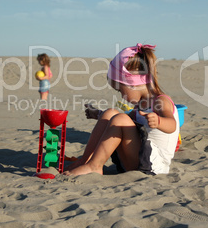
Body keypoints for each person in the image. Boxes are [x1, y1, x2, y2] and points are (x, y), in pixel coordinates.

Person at [64, 43, 180, 176]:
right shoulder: (140, 105)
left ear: (133, 83)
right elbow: (118, 119)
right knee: (111, 113)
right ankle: (86, 160)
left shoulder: (160, 101)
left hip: (153, 166)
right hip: (135, 159)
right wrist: (99, 114)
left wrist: (159, 121)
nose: (121, 95)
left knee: (121, 118)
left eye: (120, 90)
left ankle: (94, 166)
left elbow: (172, 125)